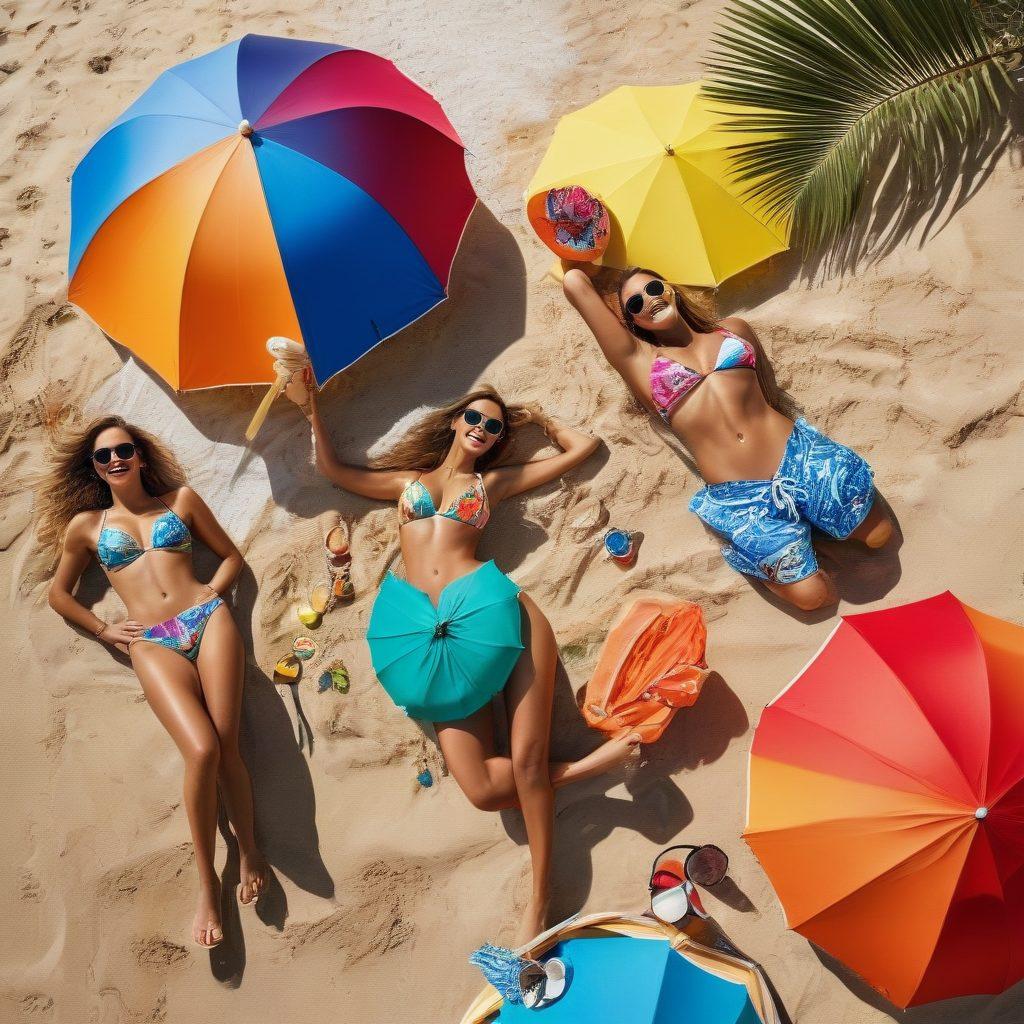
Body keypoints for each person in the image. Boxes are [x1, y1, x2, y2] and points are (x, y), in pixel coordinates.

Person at [292, 379, 640, 943]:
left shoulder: (493, 483)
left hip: (495, 613)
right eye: (475, 419)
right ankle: (589, 769)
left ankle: (540, 904)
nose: (483, 430)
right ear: (455, 421)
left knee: (526, 767)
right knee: (479, 789)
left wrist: (540, 418)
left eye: (495, 427)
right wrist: (311, 407)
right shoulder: (406, 484)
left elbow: (584, 448)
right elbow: (334, 470)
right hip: (430, 634)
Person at [41, 416, 267, 949]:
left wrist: (213, 591)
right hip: (149, 641)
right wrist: (104, 629)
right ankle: (208, 881)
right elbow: (59, 593)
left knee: (228, 746)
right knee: (201, 749)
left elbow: (232, 556)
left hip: (206, 620)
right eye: (104, 456)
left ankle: (251, 849)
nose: (116, 460)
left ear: (140, 456)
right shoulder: (87, 527)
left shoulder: (180, 502)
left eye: (124, 450)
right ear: (95, 468)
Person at [562, 265, 893, 611]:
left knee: (879, 537)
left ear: (670, 289)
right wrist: (594, 261)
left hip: (799, 457)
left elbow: (768, 394)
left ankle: (808, 524)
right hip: (743, 497)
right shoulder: (639, 362)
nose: (648, 299)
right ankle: (770, 550)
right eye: (634, 304)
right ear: (631, 323)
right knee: (814, 598)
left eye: (654, 287)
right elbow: (574, 283)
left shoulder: (734, 331)